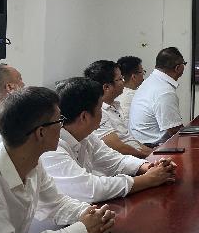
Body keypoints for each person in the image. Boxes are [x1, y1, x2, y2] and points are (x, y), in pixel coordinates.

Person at [0, 86, 115, 233]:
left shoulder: (32, 162)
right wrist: (81, 230)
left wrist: (90, 214)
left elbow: (56, 203)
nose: (62, 126)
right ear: (41, 133)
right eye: (59, 120)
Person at [40, 77, 176, 204]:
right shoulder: (52, 148)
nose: (103, 113)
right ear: (84, 117)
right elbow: (90, 189)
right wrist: (147, 179)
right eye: (100, 108)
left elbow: (116, 161)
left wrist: (148, 167)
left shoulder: (86, 137)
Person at [84, 60, 153, 159]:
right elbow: (118, 148)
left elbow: (130, 140)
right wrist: (150, 155)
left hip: (137, 156)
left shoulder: (115, 105)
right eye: (120, 79)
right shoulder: (99, 113)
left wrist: (154, 152)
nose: (124, 82)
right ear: (106, 87)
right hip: (126, 160)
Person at [129, 47, 187, 146]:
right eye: (184, 64)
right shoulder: (165, 91)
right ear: (177, 68)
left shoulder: (152, 80)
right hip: (153, 147)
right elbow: (174, 130)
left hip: (141, 142)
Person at [115, 55, 145, 123]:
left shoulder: (118, 92)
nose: (143, 74)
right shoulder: (133, 97)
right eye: (141, 71)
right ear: (134, 76)